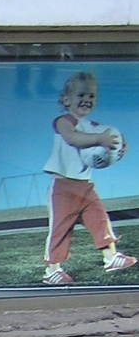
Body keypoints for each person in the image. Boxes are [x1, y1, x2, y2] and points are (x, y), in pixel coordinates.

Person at [42, 71, 136, 286]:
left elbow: (109, 137)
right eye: (81, 95)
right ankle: (52, 270)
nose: (87, 99)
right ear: (66, 100)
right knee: (60, 228)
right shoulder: (63, 121)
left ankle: (111, 257)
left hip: (84, 185)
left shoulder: (92, 126)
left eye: (91, 96)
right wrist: (100, 139)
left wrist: (121, 146)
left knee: (99, 218)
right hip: (63, 186)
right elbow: (73, 138)